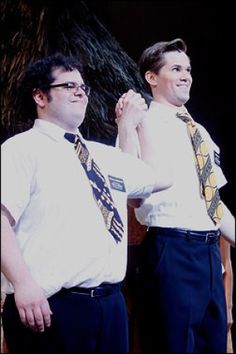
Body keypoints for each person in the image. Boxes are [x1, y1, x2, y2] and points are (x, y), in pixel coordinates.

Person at [1, 53, 172, 354]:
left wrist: (134, 125)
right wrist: (23, 284)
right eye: (68, 85)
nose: (80, 91)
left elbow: (158, 178)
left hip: (110, 305)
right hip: (52, 307)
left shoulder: (100, 155)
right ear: (40, 96)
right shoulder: (21, 149)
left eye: (83, 86)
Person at [116, 38, 235, 353]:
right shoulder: (142, 122)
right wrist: (127, 128)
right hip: (172, 249)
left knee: (212, 344)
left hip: (209, 253)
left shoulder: (200, 132)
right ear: (152, 78)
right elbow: (133, 192)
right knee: (173, 344)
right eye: (176, 69)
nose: (186, 76)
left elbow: (213, 203)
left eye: (189, 69)